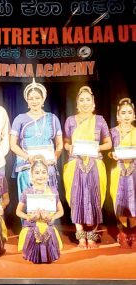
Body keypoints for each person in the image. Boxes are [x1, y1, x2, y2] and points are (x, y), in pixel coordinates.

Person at [63, 86, 112, 249]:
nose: (85, 103)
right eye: (81, 100)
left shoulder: (99, 120)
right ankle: (80, 238)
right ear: (77, 103)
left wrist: (95, 148)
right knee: (76, 199)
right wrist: (68, 147)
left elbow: (109, 144)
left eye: (88, 100)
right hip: (75, 164)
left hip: (94, 164)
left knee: (94, 199)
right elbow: (66, 142)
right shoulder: (70, 121)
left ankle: (91, 237)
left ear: (93, 103)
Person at [10, 79, 63, 199]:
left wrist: (55, 157)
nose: (34, 101)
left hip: (47, 168)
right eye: (31, 98)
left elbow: (59, 144)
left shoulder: (53, 118)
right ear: (27, 101)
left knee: (48, 205)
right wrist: (29, 157)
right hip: (26, 166)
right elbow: (13, 145)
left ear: (43, 99)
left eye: (37, 98)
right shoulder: (20, 119)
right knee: (28, 204)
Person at [16, 156, 64, 264]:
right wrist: (29, 217)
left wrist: (51, 217)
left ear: (47, 175)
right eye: (37, 173)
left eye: (43, 172)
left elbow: (61, 211)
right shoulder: (27, 192)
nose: (40, 175)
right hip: (32, 226)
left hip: (48, 225)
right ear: (31, 176)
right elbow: (18, 211)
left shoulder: (53, 191)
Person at [109, 98, 136, 248]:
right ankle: (123, 232)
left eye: (129, 113)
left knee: (133, 201)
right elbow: (106, 151)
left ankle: (133, 231)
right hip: (118, 170)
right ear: (118, 115)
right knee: (119, 201)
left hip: (134, 170)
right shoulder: (112, 132)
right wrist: (111, 155)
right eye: (123, 113)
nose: (126, 116)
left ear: (134, 116)